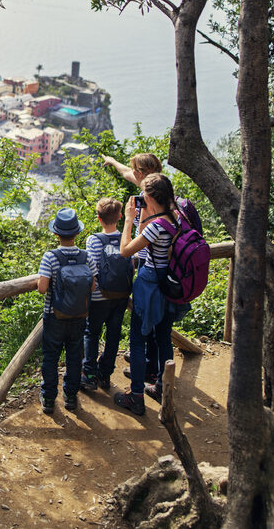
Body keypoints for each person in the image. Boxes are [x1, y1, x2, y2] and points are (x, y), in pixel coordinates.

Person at [114, 173, 189, 415]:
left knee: (138, 340)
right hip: (169, 282)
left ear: (150, 196)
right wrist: (144, 216)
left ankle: (136, 396)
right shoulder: (175, 217)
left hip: (150, 283)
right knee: (163, 336)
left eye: (143, 193)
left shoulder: (156, 227)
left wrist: (128, 219)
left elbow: (126, 250)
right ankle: (161, 387)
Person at [102, 151, 162, 382]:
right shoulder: (156, 186)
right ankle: (149, 362)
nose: (133, 173)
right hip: (150, 262)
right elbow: (125, 172)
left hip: (150, 265)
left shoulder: (152, 197)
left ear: (144, 172)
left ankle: (146, 369)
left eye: (137, 170)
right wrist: (112, 161)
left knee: (145, 319)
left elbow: (128, 247)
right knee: (153, 319)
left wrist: (129, 218)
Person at [36, 207, 96, 414]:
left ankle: (49, 399)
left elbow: (42, 288)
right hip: (79, 316)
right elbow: (93, 286)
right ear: (77, 233)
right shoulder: (86, 257)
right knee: (73, 356)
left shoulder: (50, 257)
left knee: (51, 358)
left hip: (55, 317)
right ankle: (70, 396)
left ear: (56, 234)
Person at [80, 197, 130, 392]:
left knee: (91, 333)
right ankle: (105, 374)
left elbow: (91, 268)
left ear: (99, 218)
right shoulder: (126, 238)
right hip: (121, 296)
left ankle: (89, 374)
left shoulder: (93, 240)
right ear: (119, 216)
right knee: (113, 335)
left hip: (99, 297)